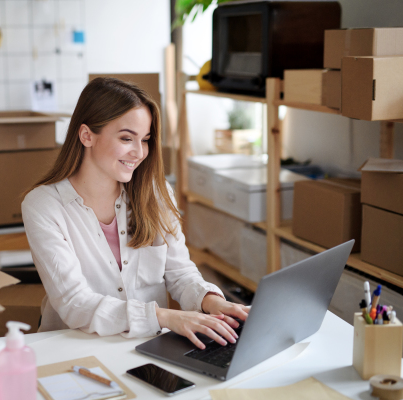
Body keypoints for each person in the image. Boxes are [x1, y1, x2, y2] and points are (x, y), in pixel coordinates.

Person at [21, 77, 249, 350]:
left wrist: (214, 302)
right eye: (127, 138)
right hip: (75, 347)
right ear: (86, 135)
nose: (139, 152)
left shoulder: (156, 192)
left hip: (147, 347)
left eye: (145, 140)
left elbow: (180, 272)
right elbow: (74, 303)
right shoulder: (44, 206)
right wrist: (165, 317)